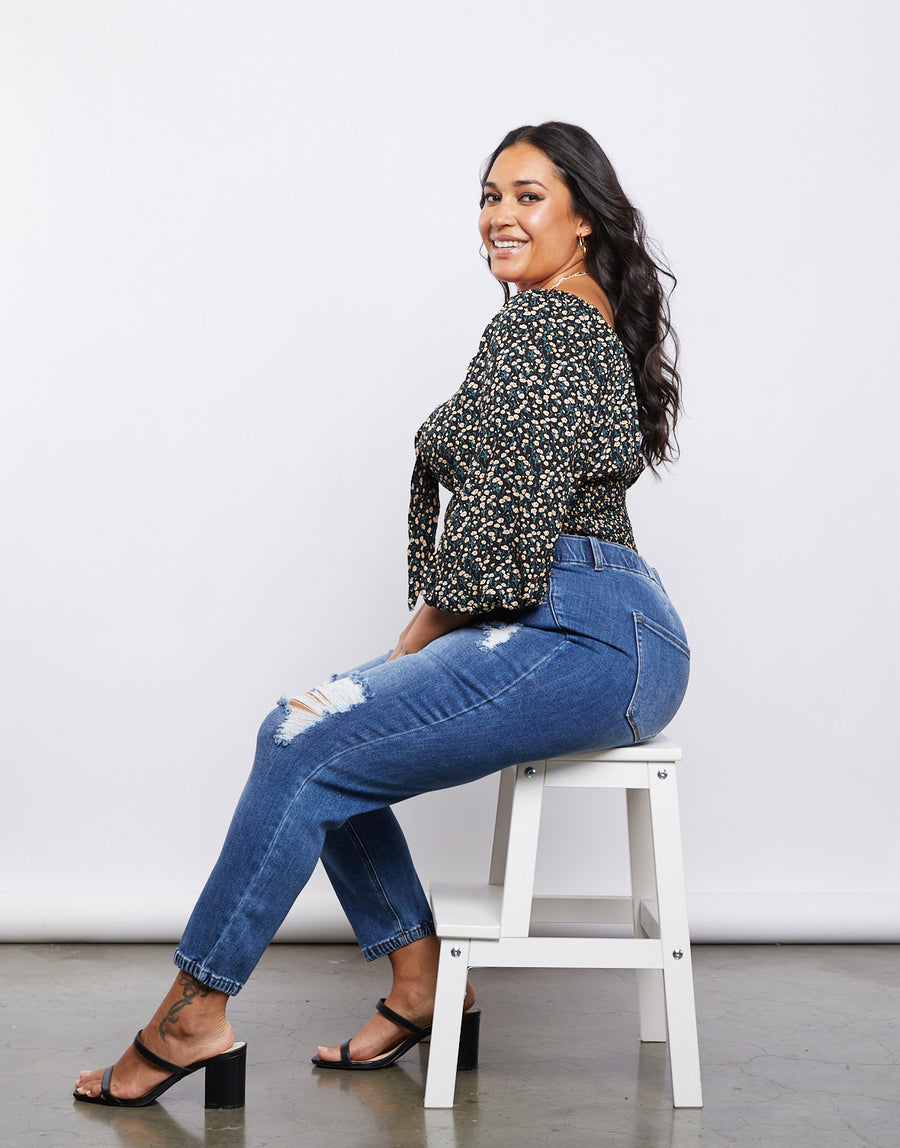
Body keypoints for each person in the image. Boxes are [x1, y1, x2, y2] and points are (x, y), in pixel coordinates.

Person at [74, 121, 689, 1107]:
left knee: (304, 740)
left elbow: (503, 518)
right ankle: (422, 983)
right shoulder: (582, 317)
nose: (499, 215)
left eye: (528, 196)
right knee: (307, 732)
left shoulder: (543, 324)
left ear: (583, 219)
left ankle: (192, 1014)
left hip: (580, 627)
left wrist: (409, 644)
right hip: (615, 632)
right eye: (489, 196)